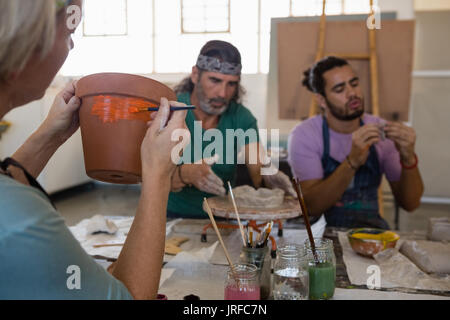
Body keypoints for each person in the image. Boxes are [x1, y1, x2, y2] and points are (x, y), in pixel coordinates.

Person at [0, 0, 189, 299]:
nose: (71, 46)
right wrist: (158, 173)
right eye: (67, 32)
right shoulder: (21, 219)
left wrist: (49, 135)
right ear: (22, 45)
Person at [288, 56, 424, 229]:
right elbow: (312, 207)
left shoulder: (382, 132)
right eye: (339, 89)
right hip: (322, 236)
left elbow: (410, 204)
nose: (352, 93)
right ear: (321, 100)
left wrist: (409, 159)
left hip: (370, 232)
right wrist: (352, 162)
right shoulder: (305, 135)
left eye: (354, 83)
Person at [168, 40, 295, 219]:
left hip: (223, 219)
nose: (223, 93)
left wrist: (268, 176)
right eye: (215, 80)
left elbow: (257, 167)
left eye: (231, 84)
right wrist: (185, 174)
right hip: (171, 217)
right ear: (195, 75)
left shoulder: (241, 117)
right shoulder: (171, 111)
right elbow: (149, 180)